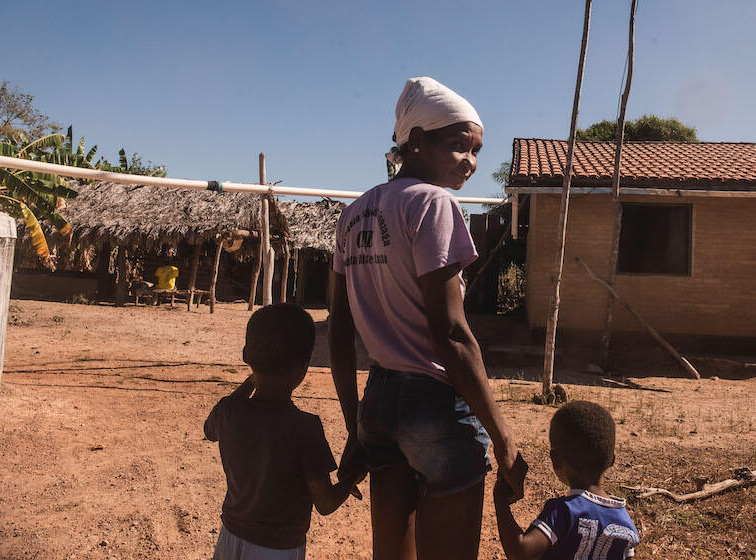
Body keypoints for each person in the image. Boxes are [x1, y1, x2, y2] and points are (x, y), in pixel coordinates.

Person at [328, 76, 527, 560]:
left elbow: (338, 329)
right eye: (459, 146)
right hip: (435, 406)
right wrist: (503, 438)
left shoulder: (352, 215)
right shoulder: (434, 203)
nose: (471, 163)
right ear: (416, 141)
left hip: (378, 400)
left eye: (476, 150)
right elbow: (452, 335)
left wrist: (355, 423)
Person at [204, 304, 358, 560]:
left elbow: (209, 431)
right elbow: (326, 503)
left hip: (229, 538)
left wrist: (252, 379)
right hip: (276, 550)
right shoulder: (304, 428)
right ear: (303, 367)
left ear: (246, 355)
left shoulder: (228, 412)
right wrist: (351, 478)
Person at [494, 401, 641, 560]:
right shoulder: (626, 525)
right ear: (611, 460)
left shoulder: (565, 511)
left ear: (555, 460)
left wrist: (500, 499)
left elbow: (520, 552)